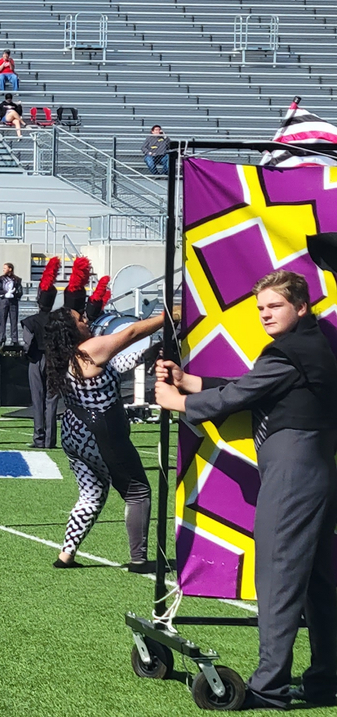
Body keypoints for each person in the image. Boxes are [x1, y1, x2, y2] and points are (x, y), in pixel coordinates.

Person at [154, 269, 337, 709]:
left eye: (274, 306)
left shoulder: (289, 352)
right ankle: (325, 678)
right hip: (311, 472)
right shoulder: (307, 347)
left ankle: (269, 686)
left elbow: (237, 397)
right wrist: (189, 382)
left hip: (293, 477)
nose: (265, 315)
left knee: (277, 578)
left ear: (301, 306)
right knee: (317, 583)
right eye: (260, 308)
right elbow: (250, 390)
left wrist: (177, 401)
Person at [44, 258, 158, 574]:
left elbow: (118, 366)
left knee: (91, 495)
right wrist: (168, 319)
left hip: (74, 434)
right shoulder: (91, 348)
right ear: (71, 329)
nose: (87, 321)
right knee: (137, 491)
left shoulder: (66, 357)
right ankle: (138, 561)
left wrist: (150, 353)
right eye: (81, 319)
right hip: (102, 431)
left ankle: (66, 554)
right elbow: (133, 330)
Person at [22, 258, 63, 448]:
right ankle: (50, 439)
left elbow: (27, 343)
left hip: (37, 360)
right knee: (52, 400)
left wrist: (29, 355)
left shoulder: (30, 321)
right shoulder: (58, 321)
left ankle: (39, 438)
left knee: (37, 399)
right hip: (54, 360)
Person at [0, 262, 23, 347]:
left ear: (10, 269)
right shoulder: (0, 279)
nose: (3, 270)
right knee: (2, 320)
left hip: (13, 302)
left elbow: (20, 291)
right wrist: (5, 293)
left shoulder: (17, 279)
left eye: (5, 268)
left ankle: (14, 339)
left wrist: (15, 294)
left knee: (14, 321)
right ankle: (1, 338)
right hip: (4, 301)